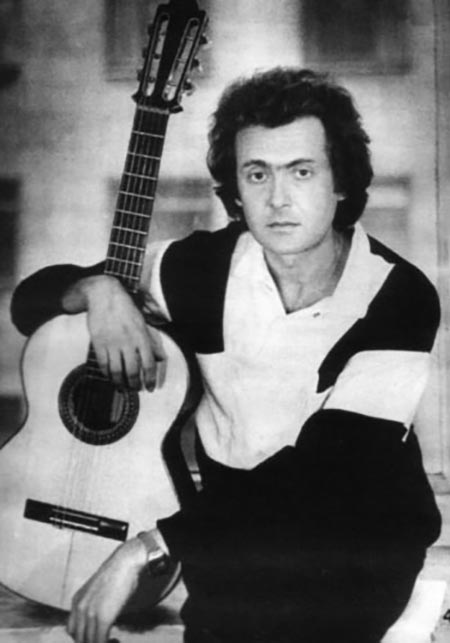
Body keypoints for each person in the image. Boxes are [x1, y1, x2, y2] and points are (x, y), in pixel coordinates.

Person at [11, 68, 441, 643]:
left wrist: (144, 548)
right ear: (235, 190)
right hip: (228, 543)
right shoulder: (197, 269)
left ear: (341, 182)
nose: (278, 199)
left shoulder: (398, 294)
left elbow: (330, 473)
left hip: (356, 545)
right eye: (257, 174)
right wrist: (99, 291)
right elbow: (30, 302)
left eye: (302, 172)